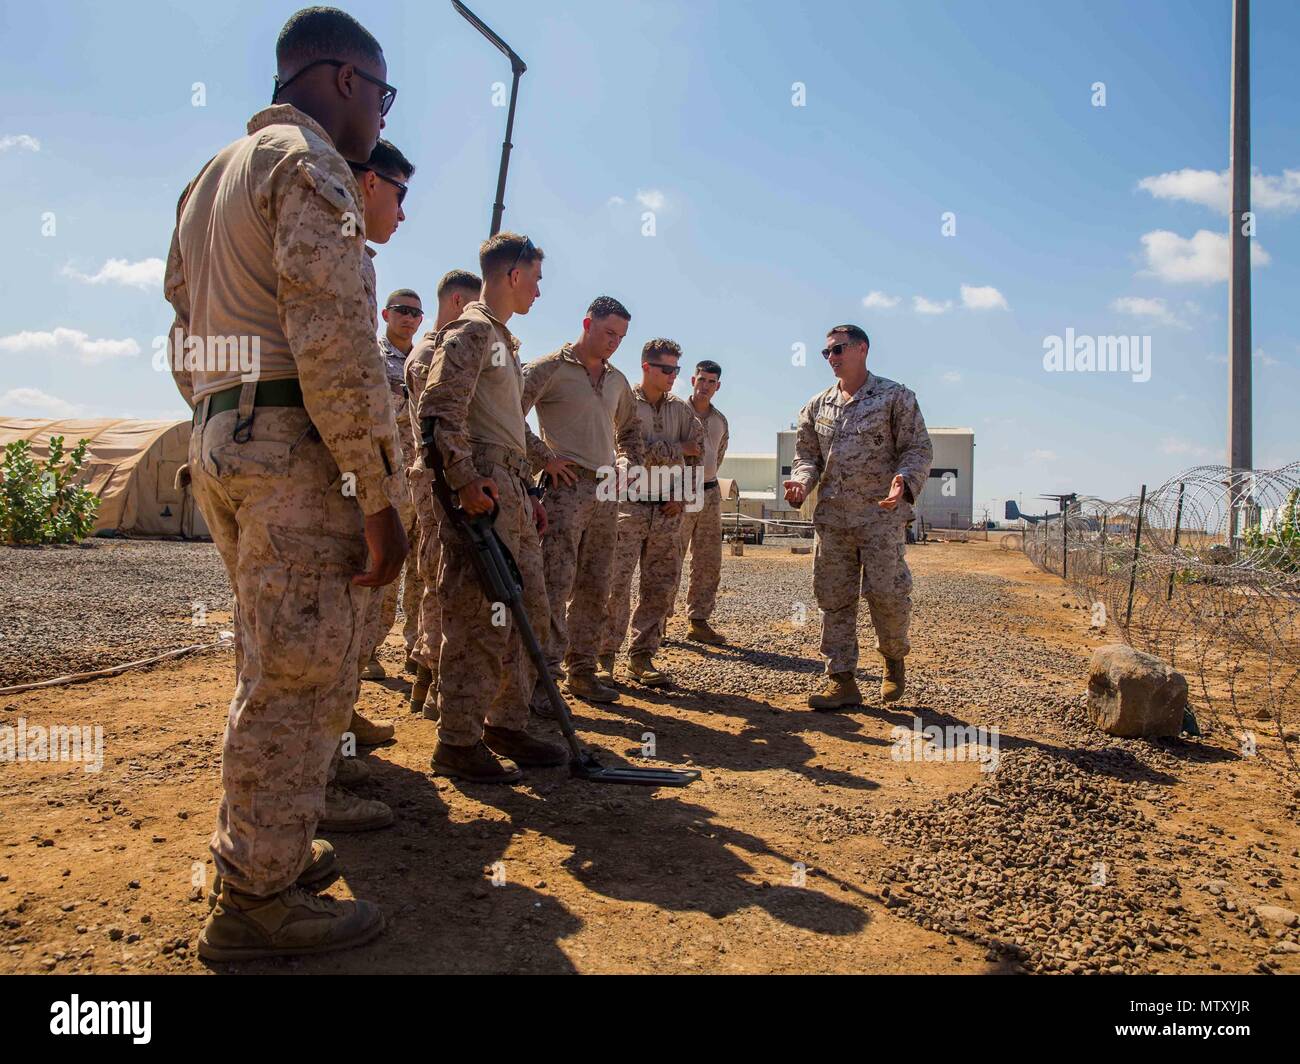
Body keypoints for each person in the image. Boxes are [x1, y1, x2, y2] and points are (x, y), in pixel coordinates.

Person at [165, 6, 405, 960]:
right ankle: (257, 902)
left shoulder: (207, 178)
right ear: (343, 79)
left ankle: (265, 849)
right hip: (299, 454)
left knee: (274, 661)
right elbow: (334, 336)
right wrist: (376, 489)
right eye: (382, 95)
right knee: (301, 675)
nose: (382, 118)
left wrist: (225, 415)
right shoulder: (312, 166)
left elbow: (185, 330)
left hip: (225, 434)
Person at [414, 233, 566, 783]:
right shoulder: (472, 331)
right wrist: (463, 480)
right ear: (513, 274)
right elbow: (437, 412)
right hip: (483, 487)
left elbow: (509, 426)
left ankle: (506, 723)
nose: (540, 291)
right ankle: (458, 738)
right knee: (479, 616)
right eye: (537, 278)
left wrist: (527, 491)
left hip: (509, 489)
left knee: (529, 615)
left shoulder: (502, 339)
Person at [783, 324, 932, 709]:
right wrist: (800, 483)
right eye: (826, 353)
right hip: (833, 520)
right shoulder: (817, 405)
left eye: (838, 350)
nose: (831, 358)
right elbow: (807, 457)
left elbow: (917, 448)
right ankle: (842, 679)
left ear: (862, 349)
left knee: (887, 594)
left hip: (880, 518)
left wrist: (904, 481)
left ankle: (893, 658)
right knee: (834, 598)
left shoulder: (895, 397)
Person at [521, 296, 644, 706]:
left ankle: (583, 671)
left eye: (621, 337)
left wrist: (626, 463)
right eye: (609, 332)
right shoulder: (549, 368)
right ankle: (544, 680)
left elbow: (631, 433)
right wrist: (545, 458)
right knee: (554, 584)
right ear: (587, 323)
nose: (614, 342)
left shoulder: (618, 381)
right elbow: (504, 414)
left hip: (607, 491)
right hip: (564, 490)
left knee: (597, 584)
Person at [598, 340, 704, 687]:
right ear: (646, 367)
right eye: (667, 369)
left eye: (676, 369)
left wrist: (684, 496)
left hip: (667, 509)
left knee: (659, 586)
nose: (674, 376)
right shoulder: (625, 402)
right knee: (615, 584)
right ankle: (603, 657)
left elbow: (697, 454)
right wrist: (675, 448)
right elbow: (630, 452)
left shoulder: (682, 410)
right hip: (627, 504)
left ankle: (642, 657)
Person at [404, 269, 481, 717]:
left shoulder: (433, 349)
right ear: (457, 302)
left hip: (442, 475)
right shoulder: (434, 352)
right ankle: (433, 680)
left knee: (442, 577)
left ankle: (427, 678)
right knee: (443, 579)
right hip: (440, 479)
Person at [671, 359, 729, 645]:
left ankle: (698, 620)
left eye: (711, 382)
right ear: (692, 380)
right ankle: (658, 622)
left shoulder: (720, 420)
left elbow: (717, 457)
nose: (704, 386)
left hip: (710, 491)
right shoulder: (677, 413)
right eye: (701, 380)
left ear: (718, 386)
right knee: (670, 557)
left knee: (708, 560)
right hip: (680, 491)